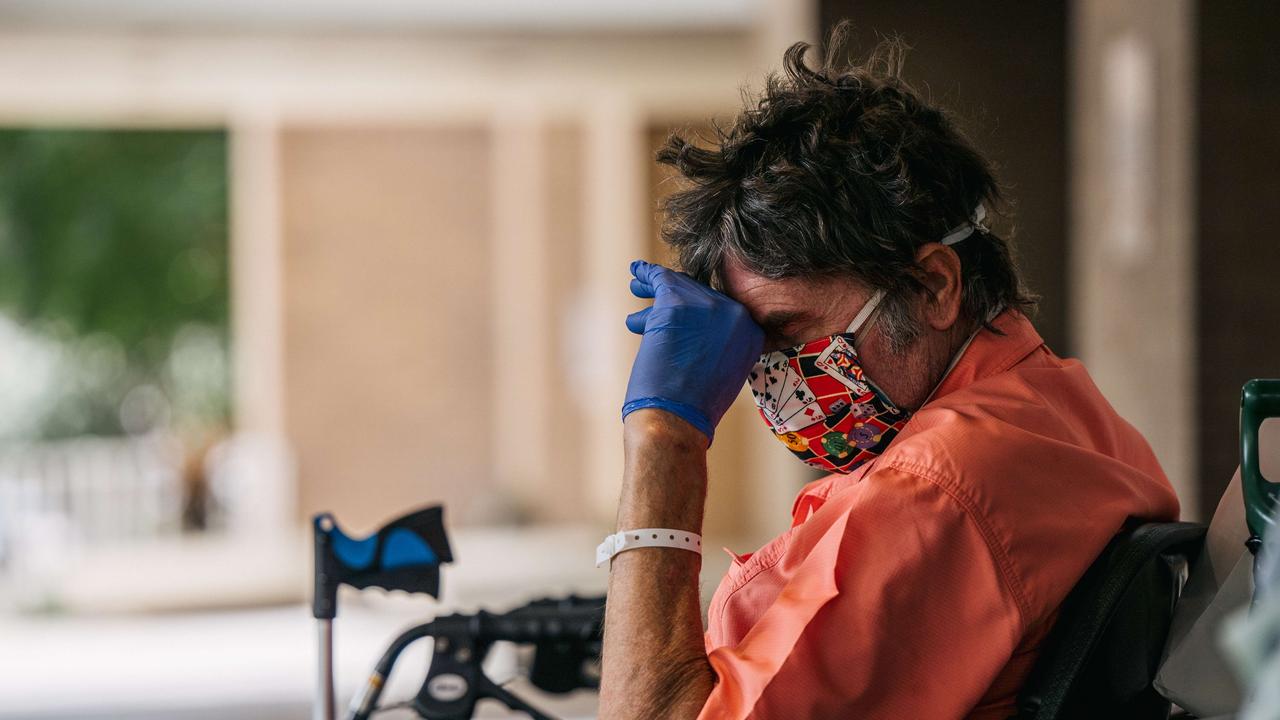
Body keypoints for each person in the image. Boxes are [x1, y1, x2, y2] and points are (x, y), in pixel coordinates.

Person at [596, 24, 1180, 720]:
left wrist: (665, 437)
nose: (768, 372)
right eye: (751, 344)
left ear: (933, 285)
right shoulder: (1059, 405)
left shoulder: (934, 491)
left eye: (787, 331)